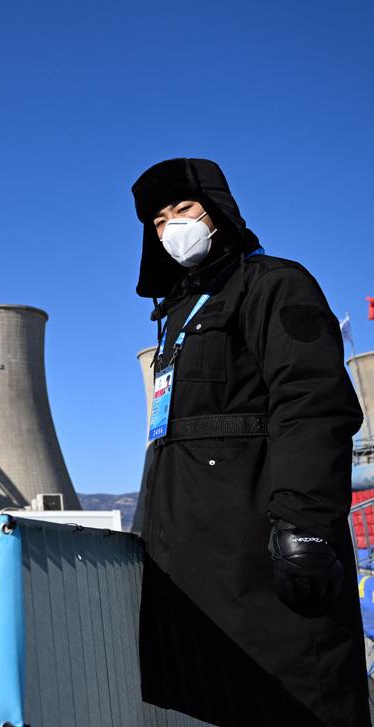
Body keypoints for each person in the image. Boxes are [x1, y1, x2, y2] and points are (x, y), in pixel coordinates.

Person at [131, 158, 368, 726]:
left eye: (184, 209)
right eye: (159, 220)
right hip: (193, 562)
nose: (172, 228)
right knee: (215, 699)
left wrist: (304, 523)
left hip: (256, 554)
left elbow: (312, 402)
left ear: (218, 210)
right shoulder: (177, 314)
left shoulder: (276, 284)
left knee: (290, 696)